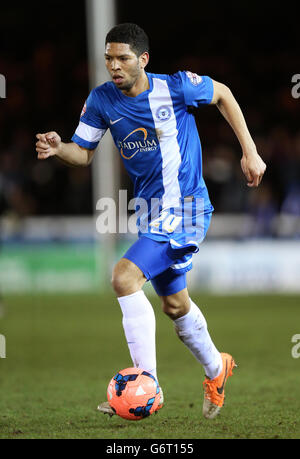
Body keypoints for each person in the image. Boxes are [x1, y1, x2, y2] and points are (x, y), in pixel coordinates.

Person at [36, 23, 266, 420]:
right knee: (175, 306)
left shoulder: (175, 87)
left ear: (143, 59)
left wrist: (250, 151)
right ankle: (217, 368)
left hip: (187, 207)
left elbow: (223, 94)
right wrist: (60, 149)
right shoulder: (101, 100)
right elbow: (83, 154)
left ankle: (146, 388)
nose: (114, 66)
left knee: (124, 276)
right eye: (109, 58)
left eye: (123, 58)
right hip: (151, 213)